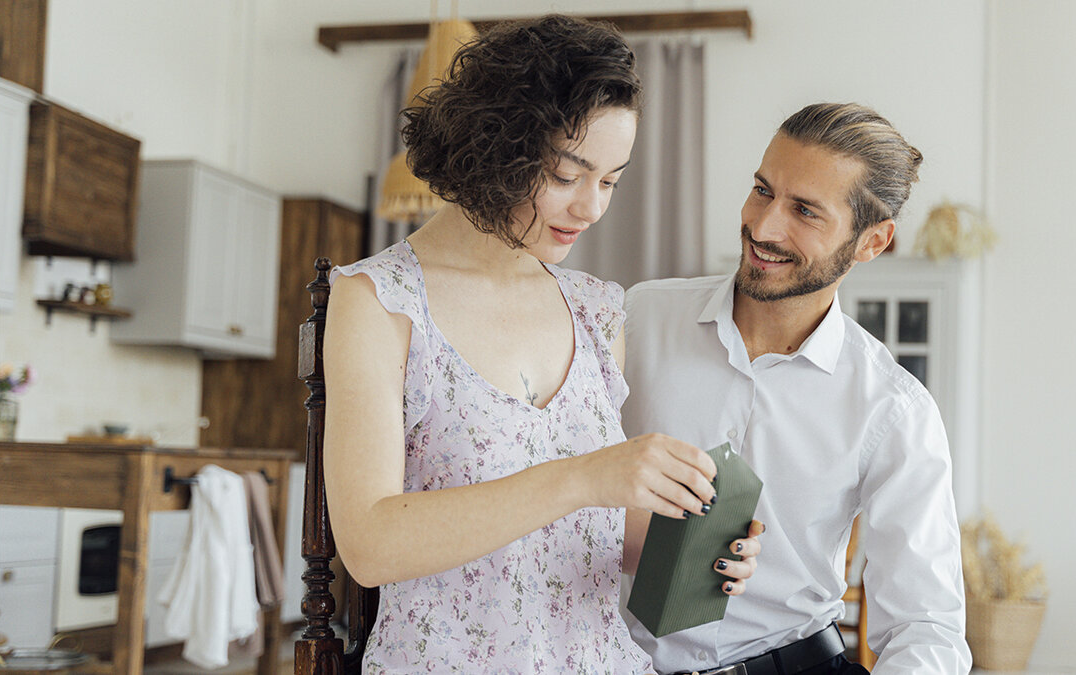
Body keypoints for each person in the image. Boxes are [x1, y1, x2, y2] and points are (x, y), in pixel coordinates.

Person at [321, 15, 760, 674]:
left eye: (610, 180)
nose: (592, 207)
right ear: (495, 147)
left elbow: (592, 533)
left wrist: (695, 539)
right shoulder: (378, 301)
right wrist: (586, 476)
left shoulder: (595, 310)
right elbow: (370, 543)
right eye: (567, 173)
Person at [620, 103, 971, 674]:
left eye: (805, 211)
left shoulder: (893, 409)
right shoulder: (638, 320)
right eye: (763, 190)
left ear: (872, 242)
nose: (763, 227)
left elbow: (925, 628)